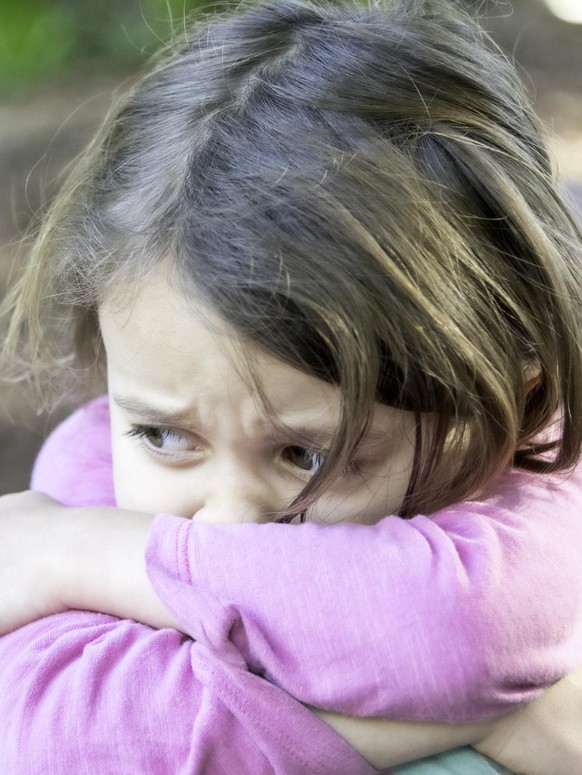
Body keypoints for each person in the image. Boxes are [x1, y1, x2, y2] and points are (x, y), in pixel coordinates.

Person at [1, 0, 582, 772]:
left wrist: (92, 554)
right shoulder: (90, 461)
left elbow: (460, 628)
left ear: (503, 403)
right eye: (166, 437)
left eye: (306, 453)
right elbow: (51, 730)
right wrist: (482, 718)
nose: (228, 521)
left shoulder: (539, 487)